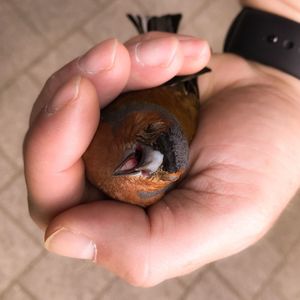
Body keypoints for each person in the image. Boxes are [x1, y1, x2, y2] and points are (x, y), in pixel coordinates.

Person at [23, 0, 300, 286]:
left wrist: (280, 86)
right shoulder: (115, 123)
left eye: (161, 174)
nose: (148, 165)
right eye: (149, 137)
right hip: (173, 86)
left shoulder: (149, 185)